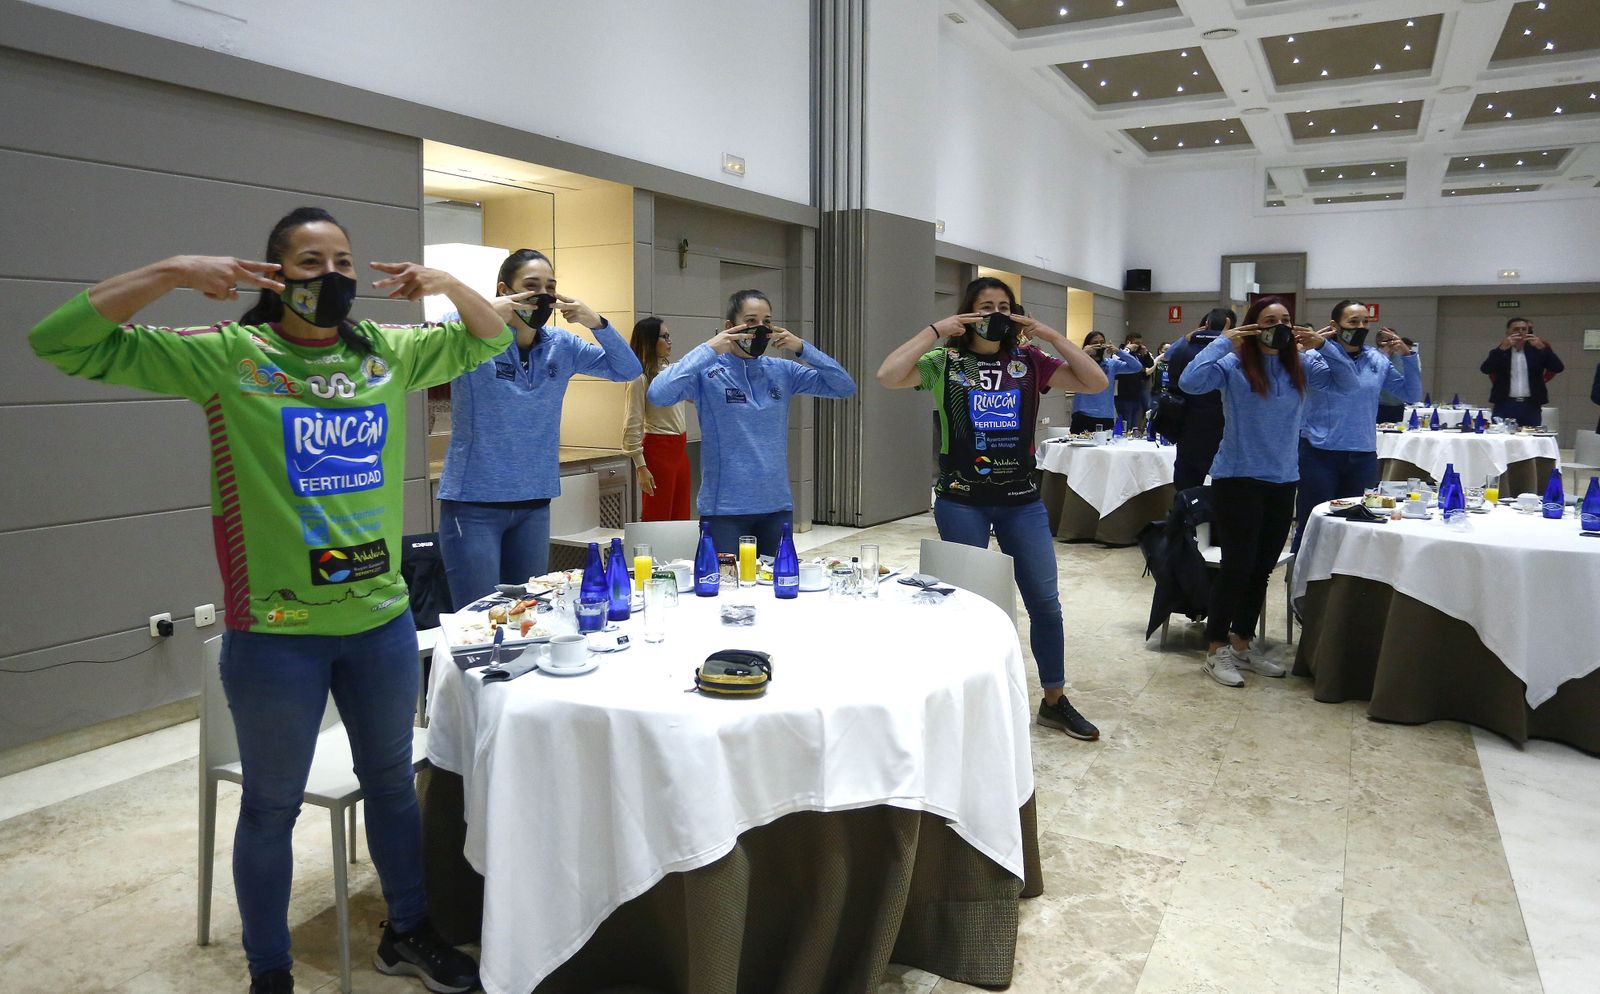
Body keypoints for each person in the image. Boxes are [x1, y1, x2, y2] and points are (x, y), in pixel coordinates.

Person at [28, 207, 504, 994]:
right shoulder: (228, 358)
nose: (331, 275)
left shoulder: (388, 352)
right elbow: (60, 340)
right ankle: (270, 971)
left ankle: (407, 933)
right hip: (277, 635)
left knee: (392, 786)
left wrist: (449, 283)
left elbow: (487, 338)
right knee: (272, 807)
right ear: (275, 275)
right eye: (309, 261)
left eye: (342, 260)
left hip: (381, 623)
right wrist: (175, 270)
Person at [877, 276, 1108, 740]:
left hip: (1022, 501)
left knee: (1045, 602)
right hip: (962, 501)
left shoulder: (1030, 360)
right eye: (986, 306)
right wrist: (937, 330)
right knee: (969, 605)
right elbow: (888, 375)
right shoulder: (946, 361)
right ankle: (969, 701)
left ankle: (1054, 701)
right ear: (969, 313)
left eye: (1005, 306)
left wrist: (1051, 335)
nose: (996, 314)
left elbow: (1095, 380)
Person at [434, 249, 640, 609]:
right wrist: (488, 309)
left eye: (551, 287)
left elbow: (627, 369)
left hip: (534, 501)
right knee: (479, 618)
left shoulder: (562, 345)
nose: (543, 296)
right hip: (474, 503)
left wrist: (598, 324)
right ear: (505, 290)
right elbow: (437, 330)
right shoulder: (473, 339)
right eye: (531, 287)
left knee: (526, 613)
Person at [1178, 295, 1357, 689]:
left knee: (1261, 570)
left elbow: (1349, 383)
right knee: (1237, 567)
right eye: (1268, 320)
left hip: (1283, 478)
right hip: (1238, 477)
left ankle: (1243, 643)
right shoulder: (1233, 363)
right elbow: (1189, 382)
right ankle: (1215, 649)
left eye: (1285, 320)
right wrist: (1225, 341)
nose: (1278, 326)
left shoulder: (1302, 364)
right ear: (1253, 325)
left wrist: (1324, 345)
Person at [646, 289, 854, 555]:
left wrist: (803, 348)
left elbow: (843, 386)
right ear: (730, 327)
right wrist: (708, 349)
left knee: (779, 589)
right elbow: (658, 393)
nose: (760, 329)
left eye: (767, 321)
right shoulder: (707, 373)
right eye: (752, 320)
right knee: (726, 591)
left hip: (776, 508)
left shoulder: (782, 371)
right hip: (724, 512)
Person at [1292, 301, 1422, 551]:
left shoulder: (1376, 359)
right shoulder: (1313, 357)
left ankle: (1344, 586)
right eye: (1353, 322)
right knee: (1312, 524)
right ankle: (1299, 586)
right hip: (1320, 454)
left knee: (1357, 525)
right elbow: (1345, 380)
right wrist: (1320, 346)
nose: (1361, 327)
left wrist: (1408, 356)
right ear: (1334, 326)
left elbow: (1410, 394)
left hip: (1362, 455)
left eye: (1365, 322)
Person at [624, 316, 692, 520]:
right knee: (658, 516)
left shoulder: (671, 373)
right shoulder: (639, 378)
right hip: (658, 449)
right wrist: (641, 467)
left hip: (680, 448)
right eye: (664, 336)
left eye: (669, 335)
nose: (669, 341)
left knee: (681, 516)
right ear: (650, 341)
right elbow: (632, 422)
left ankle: (680, 553)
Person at [1165, 308, 1234, 493]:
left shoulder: (1182, 349)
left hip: (1187, 426)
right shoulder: (1233, 353)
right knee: (1225, 491)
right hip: (1223, 428)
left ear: (1206, 324)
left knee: (1185, 487)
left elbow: (1172, 382)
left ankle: (1183, 519)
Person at [1481, 317, 1563, 427]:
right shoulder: (1501, 352)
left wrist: (1543, 348)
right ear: (1508, 332)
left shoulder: (1537, 351)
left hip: (1530, 405)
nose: (1520, 332)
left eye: (1524, 329)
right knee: (1502, 438)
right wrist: (1501, 349)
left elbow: (1558, 367)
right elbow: (1486, 369)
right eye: (1516, 329)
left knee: (1530, 439)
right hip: (1505, 404)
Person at [1070, 330, 1143, 433]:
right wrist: (1082, 353)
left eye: (1101, 342)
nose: (1099, 345)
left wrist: (1119, 352)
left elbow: (1137, 367)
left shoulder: (1111, 364)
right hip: (1082, 415)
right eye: (1094, 343)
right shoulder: (1079, 364)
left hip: (1105, 416)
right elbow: (1065, 368)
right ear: (1087, 345)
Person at [1114, 331, 1156, 430]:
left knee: (1133, 424)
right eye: (1137, 343)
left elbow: (1150, 365)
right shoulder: (1120, 352)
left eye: (1140, 343)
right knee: (1125, 422)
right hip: (1123, 394)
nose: (1139, 346)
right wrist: (1128, 350)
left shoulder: (1138, 355)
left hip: (1136, 393)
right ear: (1129, 342)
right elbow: (1117, 361)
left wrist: (1145, 354)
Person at [1374, 335, 1417, 424]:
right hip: (1378, 405)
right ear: (1380, 342)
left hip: (1398, 405)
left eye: (1393, 340)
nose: (1391, 343)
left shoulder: (1401, 358)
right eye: (1388, 341)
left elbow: (1408, 379)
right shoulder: (1373, 358)